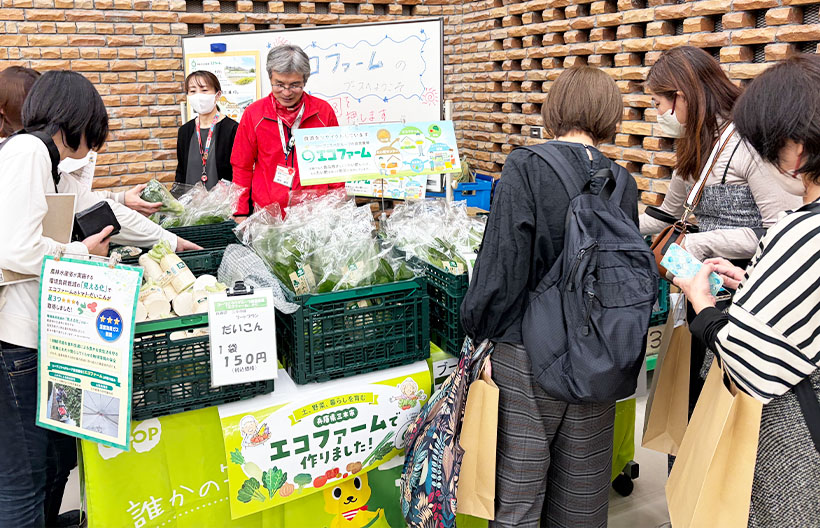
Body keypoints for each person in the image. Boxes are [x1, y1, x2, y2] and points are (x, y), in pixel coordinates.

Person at [0, 71, 192, 528]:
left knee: (55, 456)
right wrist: (80, 253)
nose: (97, 140)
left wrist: (169, 240)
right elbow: (15, 247)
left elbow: (93, 211)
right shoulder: (27, 152)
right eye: (95, 127)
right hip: (16, 342)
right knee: (22, 473)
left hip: (46, 335)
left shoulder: (50, 160)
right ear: (77, 118)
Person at [460, 67, 636, 528]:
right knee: (580, 499)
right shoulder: (624, 182)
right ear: (609, 114)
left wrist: (480, 335)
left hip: (526, 351)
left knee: (518, 496)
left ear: (554, 110)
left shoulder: (527, 166)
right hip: (597, 353)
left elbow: (501, 266)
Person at [675, 53, 820, 528]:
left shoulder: (800, 231)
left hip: (796, 454)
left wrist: (704, 304)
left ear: (796, 148)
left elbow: (748, 363)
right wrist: (754, 282)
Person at [640, 46, 801, 415]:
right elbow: (669, 216)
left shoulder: (749, 143)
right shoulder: (694, 144)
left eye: (657, 103)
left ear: (681, 97)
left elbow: (778, 231)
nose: (657, 114)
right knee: (694, 398)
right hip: (703, 291)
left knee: (725, 402)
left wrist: (702, 241)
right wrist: (614, 226)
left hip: (743, 291)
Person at [0, 66, 163, 217]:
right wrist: (81, 248)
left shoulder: (39, 149)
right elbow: (21, 244)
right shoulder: (28, 151)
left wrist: (119, 198)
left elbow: (78, 197)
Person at [231, 44, 342, 218]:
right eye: (279, 84)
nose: (287, 92)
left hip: (315, 213)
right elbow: (242, 166)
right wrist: (240, 212)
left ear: (305, 80)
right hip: (268, 214)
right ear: (270, 79)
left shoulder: (323, 112)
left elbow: (336, 165)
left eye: (295, 85)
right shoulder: (254, 114)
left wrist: (339, 206)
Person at [175, 70, 238, 189]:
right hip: (190, 204)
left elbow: (239, 173)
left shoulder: (232, 129)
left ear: (217, 94)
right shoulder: (185, 131)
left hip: (222, 204)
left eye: (204, 90)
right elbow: (181, 172)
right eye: (193, 91)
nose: (198, 96)